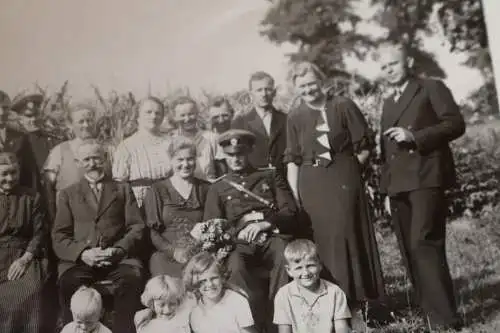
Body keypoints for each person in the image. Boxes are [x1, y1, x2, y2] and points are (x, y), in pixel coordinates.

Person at [375, 41, 465, 330]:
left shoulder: (431, 88)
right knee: (409, 249)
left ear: (408, 63)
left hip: (427, 178)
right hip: (399, 186)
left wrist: (415, 136)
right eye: (384, 66)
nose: (388, 70)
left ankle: (446, 321)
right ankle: (431, 318)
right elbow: (385, 152)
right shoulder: (389, 101)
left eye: (393, 64)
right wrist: (387, 191)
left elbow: (455, 124)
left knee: (424, 244)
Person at [285, 61, 384, 321]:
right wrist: (296, 196)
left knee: (349, 236)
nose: (308, 90)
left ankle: (360, 305)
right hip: (312, 184)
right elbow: (293, 159)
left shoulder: (343, 106)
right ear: (296, 88)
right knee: (325, 244)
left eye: (311, 84)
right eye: (302, 86)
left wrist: (349, 171)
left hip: (344, 180)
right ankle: (332, 308)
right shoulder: (295, 117)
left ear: (321, 82)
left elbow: (364, 146)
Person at [203, 129, 298, 332]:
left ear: (249, 152)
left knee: (283, 254)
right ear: (224, 156)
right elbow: (213, 225)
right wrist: (236, 234)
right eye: (231, 155)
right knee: (235, 266)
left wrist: (265, 224)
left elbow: (289, 211)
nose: (236, 159)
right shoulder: (217, 188)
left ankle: (279, 321)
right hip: (238, 243)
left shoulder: (269, 175)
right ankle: (251, 322)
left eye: (240, 154)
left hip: (271, 235)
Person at [52, 140, 145, 333]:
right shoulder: (67, 194)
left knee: (132, 280)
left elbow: (136, 227)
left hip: (119, 259)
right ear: (78, 162)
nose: (92, 163)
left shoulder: (122, 189)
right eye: (86, 159)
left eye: (96, 158)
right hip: (81, 261)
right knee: (69, 283)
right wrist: (83, 253)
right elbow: (59, 235)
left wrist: (118, 250)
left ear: (105, 159)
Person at [144, 136, 210, 277]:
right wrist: (173, 251)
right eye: (180, 159)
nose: (185, 164)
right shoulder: (157, 189)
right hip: (167, 254)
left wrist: (196, 247)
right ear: (171, 160)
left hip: (200, 251)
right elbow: (152, 232)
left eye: (190, 159)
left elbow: (212, 223)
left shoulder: (206, 188)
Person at [0, 152, 47, 333]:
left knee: (30, 291)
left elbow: (39, 232)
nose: (9, 178)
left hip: (24, 253)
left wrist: (24, 259)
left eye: (13, 173)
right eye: (4, 174)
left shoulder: (31, 197)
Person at [273, 239, 351, 333]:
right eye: (299, 268)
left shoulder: (335, 292)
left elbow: (341, 328)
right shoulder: (283, 295)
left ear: (320, 265)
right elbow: (284, 331)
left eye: (310, 266)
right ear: (289, 270)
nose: (305, 272)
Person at [112, 97, 171, 207]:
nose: (153, 116)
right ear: (137, 117)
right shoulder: (126, 146)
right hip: (140, 202)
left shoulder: (170, 143)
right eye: (148, 112)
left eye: (158, 113)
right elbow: (120, 183)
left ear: (162, 117)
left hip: (168, 200)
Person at [43, 104, 97, 219]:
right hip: (68, 216)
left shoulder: (108, 150)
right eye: (81, 121)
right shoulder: (59, 151)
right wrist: (53, 218)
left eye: (89, 120)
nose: (86, 125)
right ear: (70, 125)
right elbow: (48, 187)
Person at [183, 252, 258, 333]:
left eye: (214, 278)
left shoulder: (237, 300)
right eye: (203, 281)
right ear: (195, 283)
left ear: (222, 277)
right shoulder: (195, 312)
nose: (210, 284)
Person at [231, 71, 288, 176]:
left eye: (268, 89)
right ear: (251, 94)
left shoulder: (286, 119)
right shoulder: (240, 122)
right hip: (254, 181)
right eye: (259, 90)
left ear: (274, 92)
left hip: (283, 179)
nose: (264, 94)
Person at [10, 93, 66, 172]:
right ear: (20, 119)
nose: (33, 119)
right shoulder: (14, 143)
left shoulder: (54, 140)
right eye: (28, 116)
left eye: (36, 114)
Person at [169, 96, 220, 181]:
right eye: (182, 115)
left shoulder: (211, 138)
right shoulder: (170, 140)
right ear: (175, 117)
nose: (187, 119)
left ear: (197, 114)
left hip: (208, 189)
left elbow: (221, 170)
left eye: (191, 114)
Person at [0, 90, 40, 192]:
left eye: (5, 108)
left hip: (16, 198)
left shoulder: (20, 136)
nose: (1, 113)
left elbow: (29, 171)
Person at [207, 96, 235, 175]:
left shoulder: (240, 136)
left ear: (232, 114)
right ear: (209, 118)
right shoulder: (206, 140)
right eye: (216, 117)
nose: (221, 120)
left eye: (225, 115)